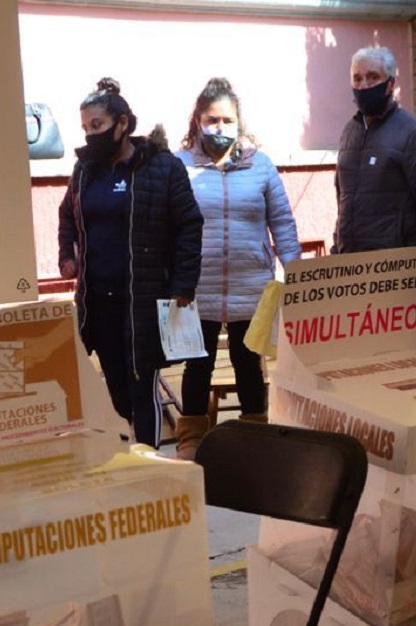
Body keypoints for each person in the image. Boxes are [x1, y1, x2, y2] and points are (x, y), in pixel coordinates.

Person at [58, 78, 203, 448]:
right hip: (99, 303)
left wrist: (183, 285)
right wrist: (66, 254)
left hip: (144, 302)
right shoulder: (86, 171)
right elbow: (67, 215)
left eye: (98, 125)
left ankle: (152, 466)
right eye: (86, 128)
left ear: (123, 124)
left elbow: (189, 225)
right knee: (117, 391)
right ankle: (130, 460)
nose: (91, 135)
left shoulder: (163, 168)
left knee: (143, 390)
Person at [172, 77, 301, 460]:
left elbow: (282, 224)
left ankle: (254, 434)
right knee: (197, 364)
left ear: (239, 122)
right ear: (197, 121)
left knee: (249, 364)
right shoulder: (179, 167)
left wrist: (297, 274)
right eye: (212, 119)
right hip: (197, 286)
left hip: (251, 284)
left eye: (227, 120)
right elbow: (166, 225)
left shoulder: (261, 167)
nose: (220, 127)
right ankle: (191, 439)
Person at [334, 46, 416, 287]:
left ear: (390, 83)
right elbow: (343, 200)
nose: (364, 85)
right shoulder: (349, 132)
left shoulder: (414, 134)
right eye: (357, 78)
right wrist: (337, 253)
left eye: (373, 77)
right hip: (350, 274)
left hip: (396, 276)